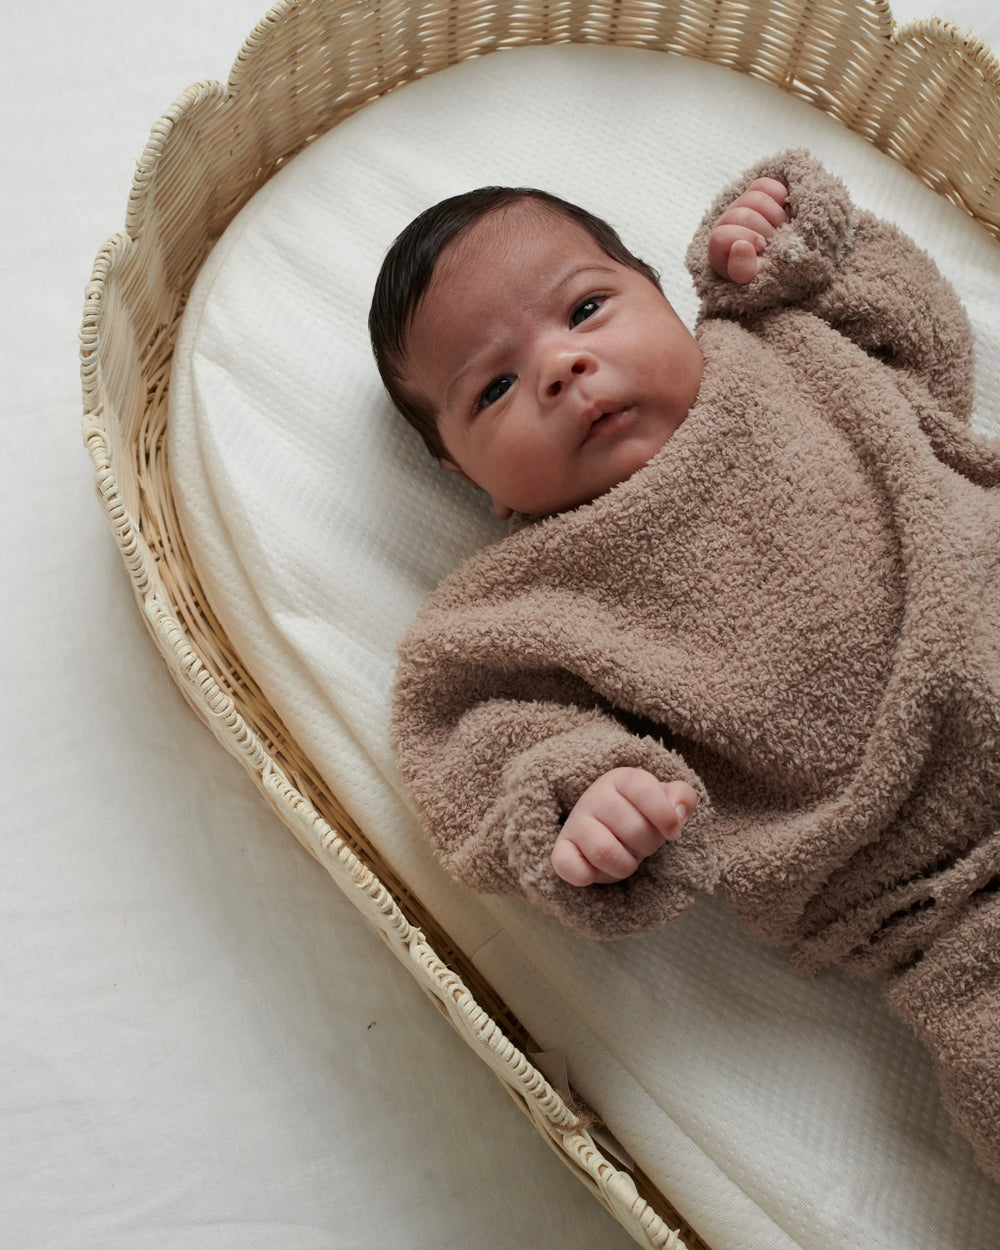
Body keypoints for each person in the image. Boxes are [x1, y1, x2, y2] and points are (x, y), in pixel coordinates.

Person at [370, 151, 1000, 1178]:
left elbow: (922, 339)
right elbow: (467, 742)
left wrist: (790, 249)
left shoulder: (780, 344)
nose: (559, 368)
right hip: (944, 908)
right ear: (461, 473)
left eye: (583, 310)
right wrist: (584, 793)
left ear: (662, 293)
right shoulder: (517, 605)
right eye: (491, 386)